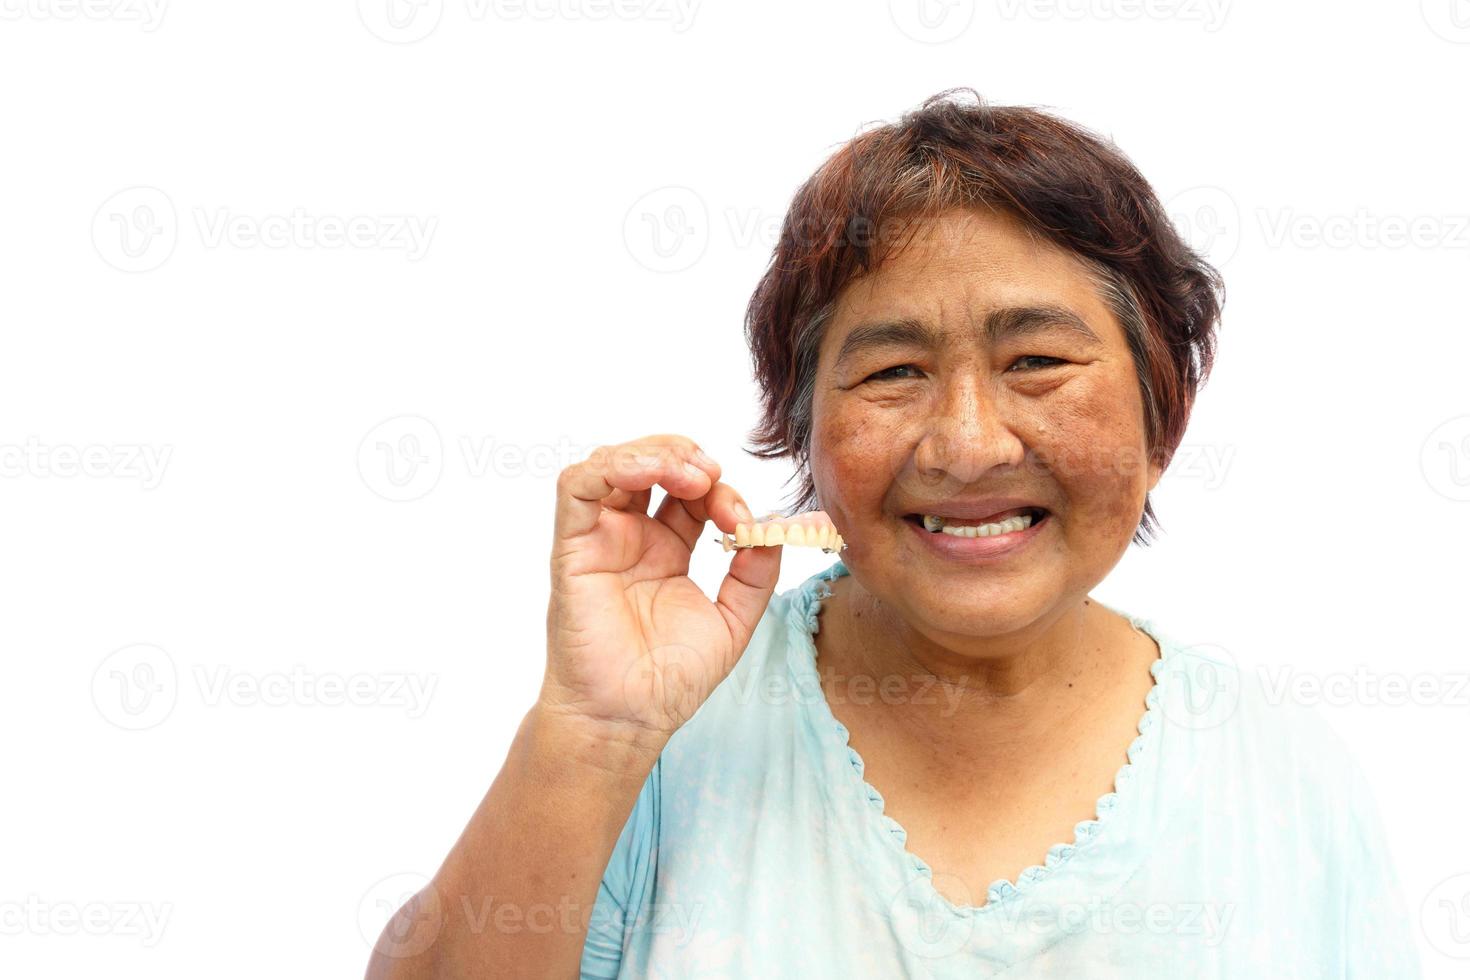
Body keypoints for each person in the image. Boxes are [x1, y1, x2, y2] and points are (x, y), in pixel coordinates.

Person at [365, 90, 1420, 978]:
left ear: (1166, 414)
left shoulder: (1283, 780)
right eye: (893, 372)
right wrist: (591, 731)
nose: (968, 443)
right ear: (804, 431)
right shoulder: (669, 735)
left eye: (1039, 361)